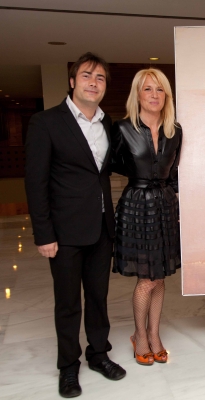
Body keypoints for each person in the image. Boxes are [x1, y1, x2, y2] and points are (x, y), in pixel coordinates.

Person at [25, 52, 126, 398]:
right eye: (86, 76)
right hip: (64, 233)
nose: (93, 83)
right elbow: (35, 183)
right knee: (68, 303)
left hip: (101, 228)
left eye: (100, 78)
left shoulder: (106, 122)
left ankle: (99, 355)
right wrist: (44, 234)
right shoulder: (46, 122)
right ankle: (69, 366)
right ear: (72, 81)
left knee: (98, 297)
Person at [111, 68, 181, 366]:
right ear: (137, 94)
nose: (154, 95)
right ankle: (140, 335)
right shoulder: (123, 128)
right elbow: (112, 163)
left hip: (165, 206)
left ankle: (154, 335)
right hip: (137, 206)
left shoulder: (174, 131)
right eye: (148, 89)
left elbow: (174, 171)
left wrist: (177, 205)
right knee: (146, 279)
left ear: (166, 96)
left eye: (160, 90)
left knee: (160, 276)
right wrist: (142, 176)